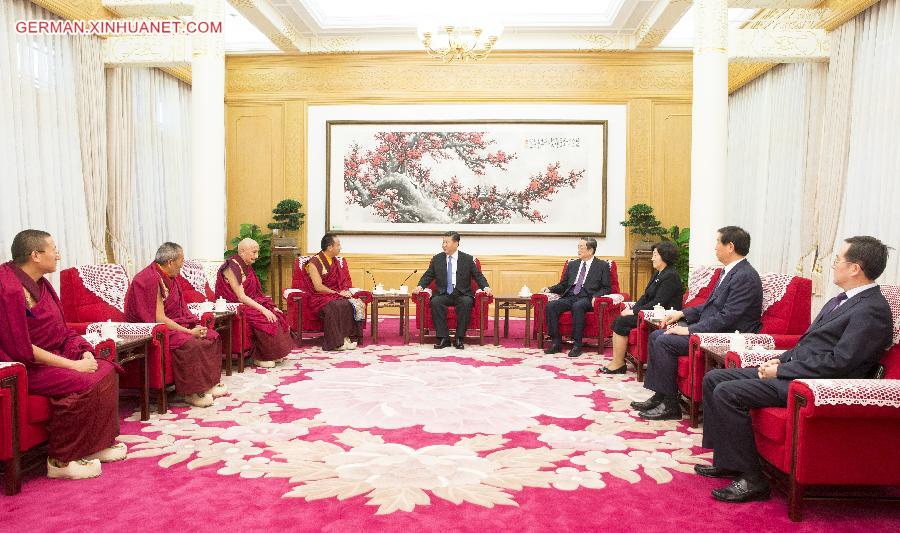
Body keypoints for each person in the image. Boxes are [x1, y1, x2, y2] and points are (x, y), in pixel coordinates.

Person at [698, 236, 893, 503]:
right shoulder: (843, 300)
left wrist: (783, 372)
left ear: (855, 268)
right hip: (798, 370)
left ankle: (753, 480)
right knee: (714, 378)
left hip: (815, 385)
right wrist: (780, 360)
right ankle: (729, 461)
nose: (834, 264)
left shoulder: (872, 310)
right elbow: (809, 343)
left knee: (728, 392)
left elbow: (840, 363)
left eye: (837, 260)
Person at [0, 230, 125, 480]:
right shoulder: (8, 288)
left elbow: (60, 329)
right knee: (86, 381)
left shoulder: (41, 284)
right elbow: (20, 347)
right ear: (36, 255)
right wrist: (72, 366)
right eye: (53, 249)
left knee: (105, 368)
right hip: (25, 368)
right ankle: (61, 460)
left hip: (52, 358)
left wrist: (84, 352)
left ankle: (94, 446)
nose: (58, 255)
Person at [633, 226, 763, 421]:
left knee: (663, 341)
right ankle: (660, 395)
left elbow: (728, 317)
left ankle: (670, 406)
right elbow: (709, 307)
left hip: (724, 335)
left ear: (730, 246)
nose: (715, 247)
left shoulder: (745, 276)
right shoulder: (727, 272)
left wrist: (690, 331)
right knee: (656, 335)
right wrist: (681, 314)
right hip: (710, 328)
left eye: (718, 242)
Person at [125, 242, 225, 408]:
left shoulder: (170, 277)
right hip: (154, 329)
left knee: (211, 336)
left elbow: (179, 309)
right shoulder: (149, 279)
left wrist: (192, 326)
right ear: (170, 262)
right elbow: (158, 318)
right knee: (191, 343)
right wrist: (188, 331)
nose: (183, 264)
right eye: (181, 260)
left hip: (173, 324)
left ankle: (208, 384)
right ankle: (191, 393)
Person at [601, 241, 683, 374]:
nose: (652, 258)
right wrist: (632, 310)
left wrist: (633, 311)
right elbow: (646, 297)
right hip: (651, 312)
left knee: (622, 322)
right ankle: (617, 361)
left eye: (655, 255)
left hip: (663, 316)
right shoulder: (659, 273)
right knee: (619, 320)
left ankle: (619, 364)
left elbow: (659, 302)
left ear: (665, 256)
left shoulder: (671, 276)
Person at [216, 238, 295, 368]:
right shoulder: (231, 267)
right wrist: (264, 310)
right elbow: (241, 297)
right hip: (235, 305)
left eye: (257, 252)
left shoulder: (246, 266)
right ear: (242, 251)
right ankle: (259, 356)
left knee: (277, 314)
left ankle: (273, 353)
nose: (257, 256)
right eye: (253, 252)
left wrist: (269, 307)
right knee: (264, 318)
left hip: (248, 302)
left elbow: (255, 294)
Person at [414, 231, 491, 350]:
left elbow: (478, 276)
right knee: (435, 302)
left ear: (456, 243)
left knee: (466, 303)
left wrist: (485, 287)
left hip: (462, 293)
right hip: (443, 293)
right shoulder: (437, 259)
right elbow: (428, 275)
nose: (444, 245)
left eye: (447, 242)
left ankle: (459, 338)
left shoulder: (467, 259)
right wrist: (420, 286)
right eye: (443, 242)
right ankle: (443, 338)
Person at [541, 237, 611, 358]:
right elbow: (563, 284)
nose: (578, 250)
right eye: (578, 247)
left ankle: (577, 345)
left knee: (577, 306)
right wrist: (550, 289)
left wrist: (596, 296)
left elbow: (607, 287)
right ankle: (556, 343)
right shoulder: (573, 264)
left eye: (581, 247)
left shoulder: (602, 266)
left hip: (587, 297)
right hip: (571, 295)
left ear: (590, 250)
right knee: (551, 306)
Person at [306, 234, 364, 351]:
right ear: (329, 247)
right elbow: (318, 287)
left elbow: (342, 282)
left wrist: (344, 291)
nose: (340, 248)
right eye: (338, 245)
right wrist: (337, 293)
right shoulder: (314, 262)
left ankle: (346, 338)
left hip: (334, 294)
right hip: (319, 297)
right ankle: (335, 343)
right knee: (334, 306)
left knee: (350, 303)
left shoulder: (335, 262)